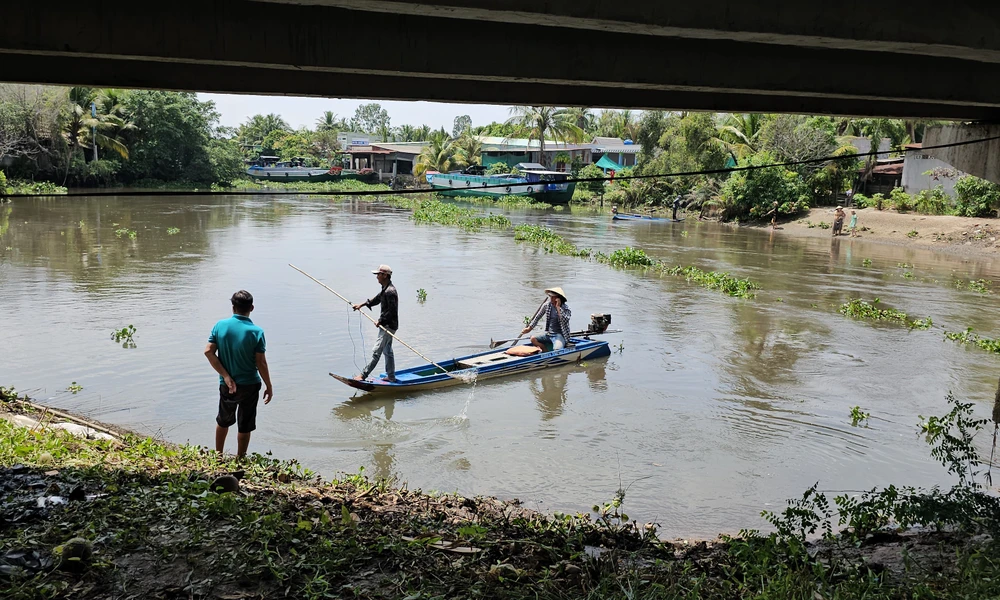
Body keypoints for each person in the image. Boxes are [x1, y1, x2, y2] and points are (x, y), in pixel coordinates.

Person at [204, 290, 272, 458]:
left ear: (233, 307)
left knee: (223, 420)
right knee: (245, 425)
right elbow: (260, 362)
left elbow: (208, 352)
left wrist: (225, 376)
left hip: (227, 384)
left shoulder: (220, 326)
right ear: (252, 308)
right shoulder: (256, 332)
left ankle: (218, 456)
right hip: (249, 384)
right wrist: (269, 386)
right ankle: (240, 458)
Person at [352, 264, 399, 382]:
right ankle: (391, 377)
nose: (376, 277)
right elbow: (376, 299)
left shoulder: (390, 291)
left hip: (389, 326)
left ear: (385, 275)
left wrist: (380, 321)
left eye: (378, 274)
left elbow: (391, 312)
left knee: (377, 351)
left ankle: (363, 375)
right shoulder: (385, 289)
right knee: (387, 351)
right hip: (386, 325)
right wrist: (361, 305)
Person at [521, 287, 572, 351]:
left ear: (558, 298)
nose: (551, 299)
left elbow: (565, 320)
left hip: (559, 335)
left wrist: (558, 307)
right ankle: (545, 350)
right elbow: (537, 317)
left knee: (557, 350)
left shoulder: (566, 308)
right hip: (548, 334)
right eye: (550, 297)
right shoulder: (547, 305)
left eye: (553, 297)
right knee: (533, 339)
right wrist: (529, 328)